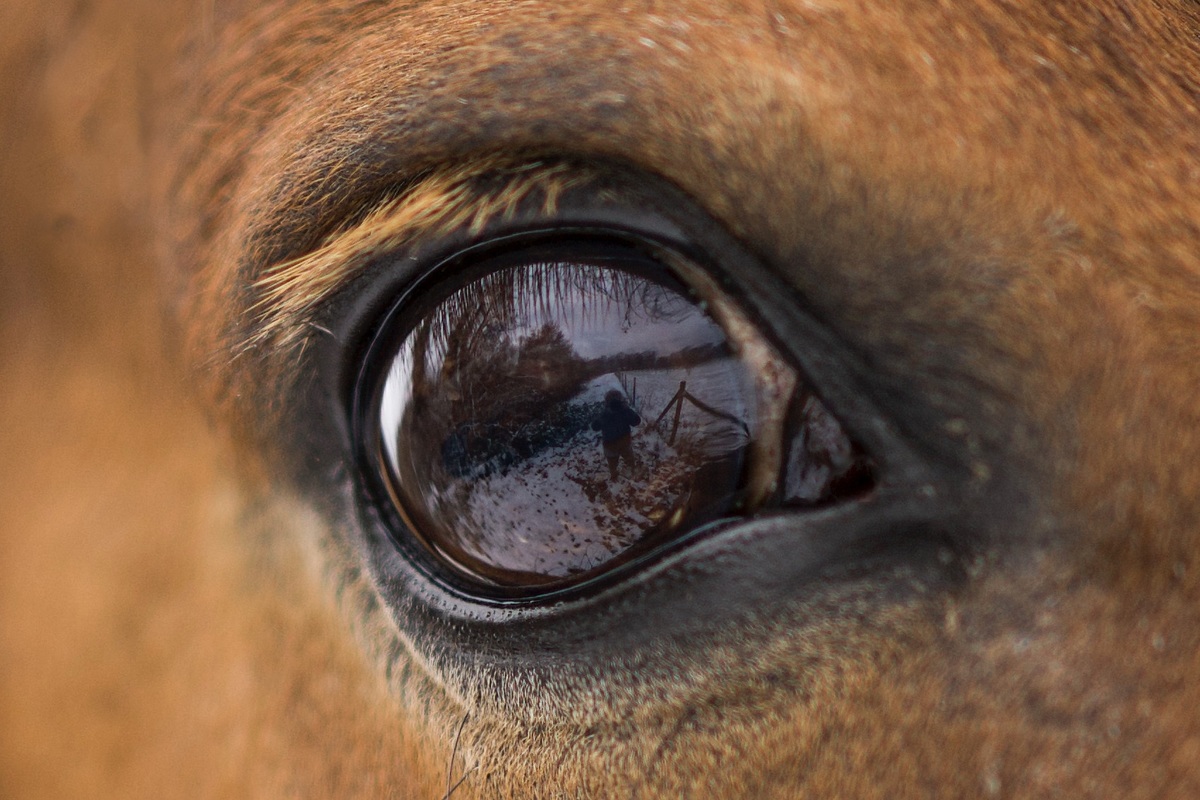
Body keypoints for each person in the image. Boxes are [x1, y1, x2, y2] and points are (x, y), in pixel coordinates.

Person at [591, 389, 641, 481]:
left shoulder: (604, 413)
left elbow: (595, 427)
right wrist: (627, 410)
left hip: (610, 446)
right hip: (624, 442)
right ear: (621, 400)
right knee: (629, 459)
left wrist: (604, 416)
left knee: (612, 464)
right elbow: (636, 421)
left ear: (606, 402)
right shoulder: (624, 411)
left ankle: (614, 476)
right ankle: (631, 471)